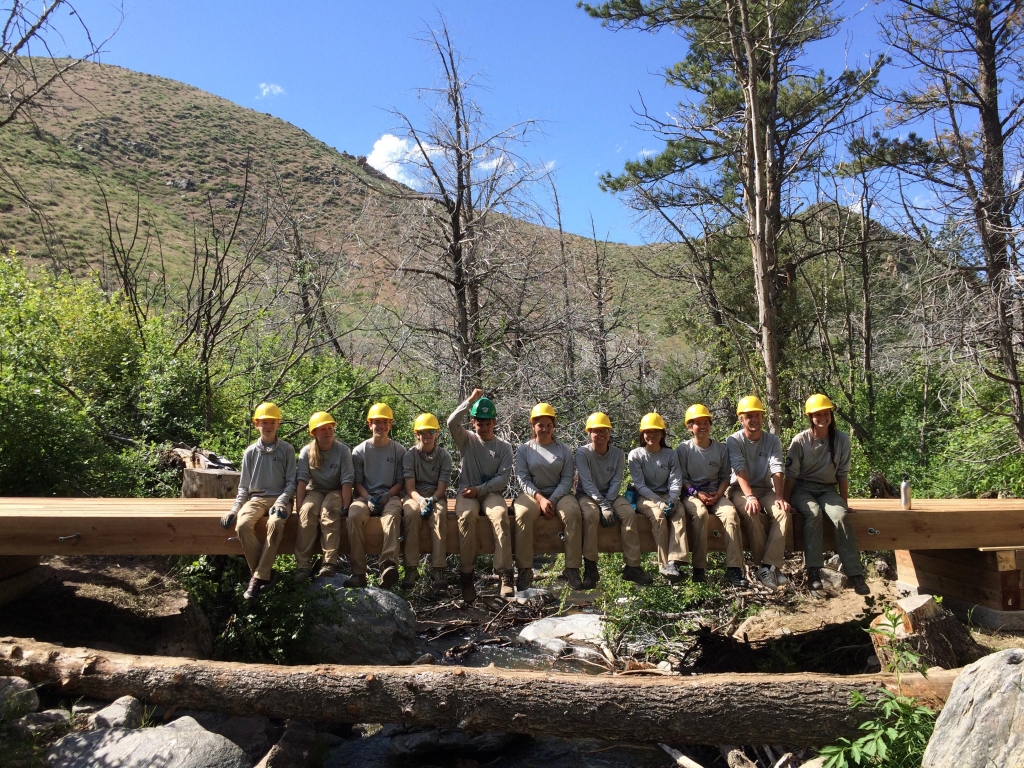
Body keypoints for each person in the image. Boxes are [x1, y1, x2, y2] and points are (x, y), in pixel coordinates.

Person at [784, 394, 869, 596]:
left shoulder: (841, 440)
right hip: (802, 489)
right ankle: (814, 572)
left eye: (825, 413)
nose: (822, 417)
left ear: (831, 414)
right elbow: (790, 476)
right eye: (817, 414)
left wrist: (844, 503)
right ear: (810, 417)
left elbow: (842, 475)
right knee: (813, 513)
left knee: (841, 516)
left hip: (827, 489)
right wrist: (786, 502)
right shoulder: (800, 441)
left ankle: (855, 574)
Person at [220, 402, 297, 601]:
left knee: (276, 523)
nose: (268, 426)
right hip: (256, 499)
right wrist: (234, 510)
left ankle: (257, 578)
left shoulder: (287, 450)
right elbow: (243, 487)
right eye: (264, 422)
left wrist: (281, 502)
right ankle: (264, 574)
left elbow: (291, 483)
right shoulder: (250, 452)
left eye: (272, 422)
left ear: (278, 424)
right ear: (256, 424)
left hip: (281, 499)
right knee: (243, 525)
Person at [447, 388, 515, 601]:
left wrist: (481, 489)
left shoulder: (504, 447)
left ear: (494, 422)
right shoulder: (466, 440)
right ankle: (467, 575)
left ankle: (505, 574)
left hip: (490, 493)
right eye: (479, 423)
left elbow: (503, 478)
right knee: (466, 517)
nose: (483, 427)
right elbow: (451, 422)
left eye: (487, 423)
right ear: (473, 423)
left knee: (500, 516)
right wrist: (469, 401)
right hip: (467, 494)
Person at [576, 411, 654, 586]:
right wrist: (604, 506)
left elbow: (617, 480)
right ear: (589, 433)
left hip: (610, 495)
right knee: (590, 515)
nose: (600, 435)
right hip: (587, 495)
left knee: (628, 514)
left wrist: (608, 503)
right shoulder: (583, 453)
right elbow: (587, 483)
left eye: (604, 431)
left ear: (610, 433)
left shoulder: (618, 454)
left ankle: (632, 566)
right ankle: (590, 567)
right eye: (596, 431)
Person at [514, 403, 586, 591]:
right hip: (532, 493)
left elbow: (567, 478)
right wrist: (540, 498)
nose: (545, 429)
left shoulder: (564, 450)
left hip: (559, 493)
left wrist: (552, 500)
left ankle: (572, 568)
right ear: (533, 426)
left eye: (549, 425)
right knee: (521, 514)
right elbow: (523, 478)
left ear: (553, 427)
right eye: (540, 425)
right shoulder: (525, 449)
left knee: (573, 513)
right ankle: (524, 568)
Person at [677, 404, 748, 587]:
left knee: (731, 515)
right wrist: (696, 493)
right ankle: (699, 567)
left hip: (716, 493)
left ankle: (734, 568)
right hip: (692, 494)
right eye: (697, 423)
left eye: (705, 422)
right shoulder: (684, 450)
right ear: (689, 426)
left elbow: (725, 476)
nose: (702, 427)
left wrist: (719, 493)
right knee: (700, 515)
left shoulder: (721, 449)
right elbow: (682, 479)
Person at [726, 396, 792, 590]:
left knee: (782, 512)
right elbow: (739, 469)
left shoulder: (772, 440)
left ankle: (767, 567)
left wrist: (779, 496)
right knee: (751, 511)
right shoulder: (734, 440)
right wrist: (750, 496)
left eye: (757, 415)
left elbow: (777, 468)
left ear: (762, 417)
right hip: (739, 489)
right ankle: (766, 567)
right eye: (749, 416)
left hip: (765, 489)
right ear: (741, 419)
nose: (753, 419)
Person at [348, 403, 406, 589]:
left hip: (391, 495)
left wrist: (387, 495)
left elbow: (400, 482)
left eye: (384, 422)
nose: (380, 426)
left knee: (391, 517)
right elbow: (357, 482)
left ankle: (388, 565)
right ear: (369, 425)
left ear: (390, 425)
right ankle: (358, 572)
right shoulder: (359, 451)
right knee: (354, 516)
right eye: (376, 422)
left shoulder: (399, 451)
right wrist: (368, 498)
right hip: (365, 496)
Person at [628, 412, 688, 583]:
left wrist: (673, 499)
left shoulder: (671, 455)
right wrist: (660, 503)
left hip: (668, 495)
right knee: (659, 517)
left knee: (679, 514)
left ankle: (674, 562)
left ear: (662, 434)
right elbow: (640, 485)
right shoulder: (636, 455)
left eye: (656, 431)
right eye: (648, 432)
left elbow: (676, 481)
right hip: (644, 497)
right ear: (642, 434)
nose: (652, 435)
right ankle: (663, 565)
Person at [294, 411, 353, 582]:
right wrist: (299, 507)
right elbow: (302, 481)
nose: (328, 432)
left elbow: (347, 481)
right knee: (307, 512)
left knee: (330, 512)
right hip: (315, 490)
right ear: (314, 433)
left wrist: (345, 507)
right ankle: (303, 565)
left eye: (330, 428)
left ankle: (329, 562)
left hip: (336, 490)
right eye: (323, 429)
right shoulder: (307, 452)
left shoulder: (342, 451)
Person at [401, 413, 452, 591]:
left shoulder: (444, 456)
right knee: (410, 514)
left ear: (437, 433)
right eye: (423, 432)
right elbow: (410, 488)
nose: (427, 435)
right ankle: (411, 568)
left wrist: (432, 499)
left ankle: (438, 568)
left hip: (436, 495)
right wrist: (421, 500)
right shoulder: (410, 455)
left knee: (438, 515)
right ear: (417, 434)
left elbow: (442, 487)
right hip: (415, 495)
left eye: (431, 431)